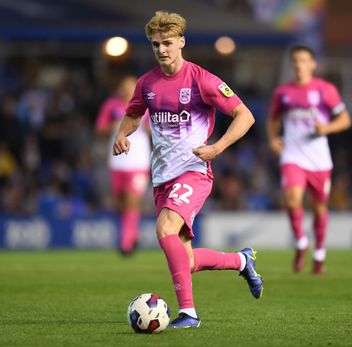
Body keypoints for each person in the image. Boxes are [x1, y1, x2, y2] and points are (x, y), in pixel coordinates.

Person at [112, 11, 263, 329]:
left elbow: (245, 116)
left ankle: (189, 314)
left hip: (194, 171)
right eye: (156, 45)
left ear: (181, 42)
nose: (162, 50)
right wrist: (122, 134)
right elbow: (133, 114)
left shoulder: (202, 80)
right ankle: (241, 260)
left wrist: (217, 147)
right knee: (187, 260)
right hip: (162, 177)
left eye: (167, 43)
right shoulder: (147, 83)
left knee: (165, 229)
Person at [267, 45, 352, 274]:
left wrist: (326, 128)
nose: (298, 64)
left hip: (319, 159)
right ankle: (301, 242)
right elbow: (273, 118)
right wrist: (274, 138)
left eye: (303, 60)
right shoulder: (283, 92)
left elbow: (345, 120)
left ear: (313, 64)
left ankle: (319, 254)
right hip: (292, 155)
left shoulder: (325, 89)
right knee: (293, 199)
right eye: (295, 60)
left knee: (319, 208)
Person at [95, 76, 151, 255]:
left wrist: (147, 126)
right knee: (120, 203)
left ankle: (126, 242)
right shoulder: (111, 106)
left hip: (139, 161)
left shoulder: (146, 106)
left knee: (132, 199)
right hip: (117, 160)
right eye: (124, 86)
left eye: (131, 87)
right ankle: (132, 234)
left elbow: (154, 128)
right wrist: (114, 126)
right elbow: (99, 128)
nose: (127, 90)